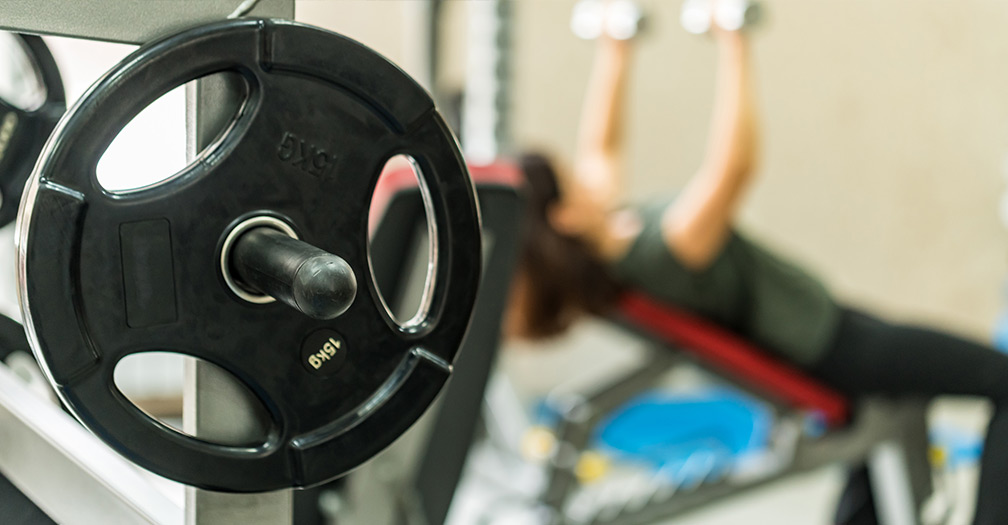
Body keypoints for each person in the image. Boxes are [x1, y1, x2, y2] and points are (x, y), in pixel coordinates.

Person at [504, 13, 1008, 525]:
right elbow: (734, 168)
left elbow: (602, 147)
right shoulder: (666, 250)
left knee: (887, 420)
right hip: (831, 350)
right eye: (571, 178)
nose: (586, 174)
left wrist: (615, 48)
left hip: (830, 331)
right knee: (1004, 378)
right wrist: (733, 42)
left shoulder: (610, 241)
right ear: (564, 216)